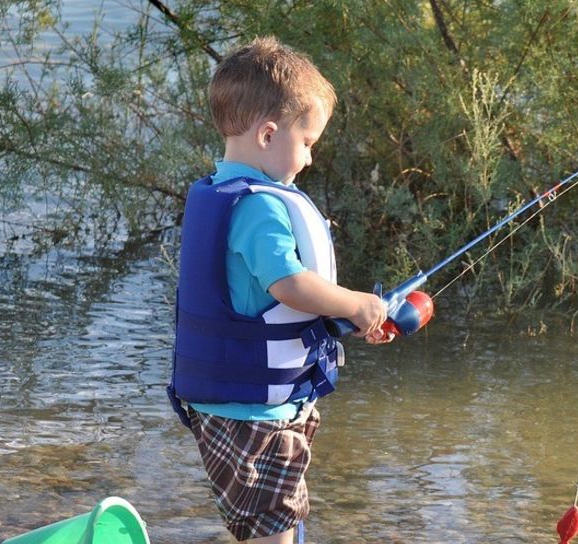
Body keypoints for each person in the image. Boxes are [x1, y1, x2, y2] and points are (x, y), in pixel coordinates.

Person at [166, 36, 390, 544]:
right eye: (308, 142)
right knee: (274, 536)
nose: (310, 159)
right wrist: (354, 301)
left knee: (279, 525)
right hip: (254, 416)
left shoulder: (224, 191)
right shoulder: (258, 207)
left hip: (249, 406)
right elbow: (288, 284)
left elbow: (266, 306)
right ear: (268, 134)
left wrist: (351, 319)